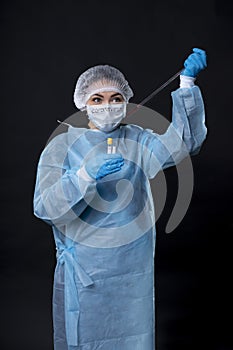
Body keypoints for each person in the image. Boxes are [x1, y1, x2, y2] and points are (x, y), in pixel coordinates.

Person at [33, 48, 207, 350]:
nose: (107, 106)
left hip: (131, 270)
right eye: (97, 100)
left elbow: (184, 144)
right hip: (87, 271)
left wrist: (187, 84)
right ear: (83, 104)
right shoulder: (63, 145)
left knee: (131, 338)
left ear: (126, 102)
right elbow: (45, 207)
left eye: (116, 99)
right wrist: (84, 176)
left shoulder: (137, 140)